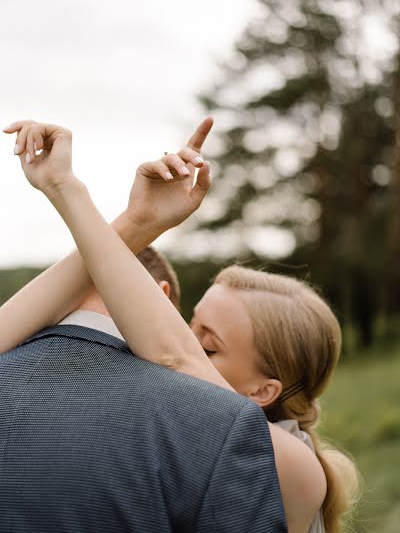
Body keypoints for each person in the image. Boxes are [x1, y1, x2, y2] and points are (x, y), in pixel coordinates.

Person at [0, 119, 358, 532]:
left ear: (263, 391)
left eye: (209, 347)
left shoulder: (293, 467)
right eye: (188, 323)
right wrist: (139, 221)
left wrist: (67, 189)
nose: (167, 333)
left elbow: (174, 355)